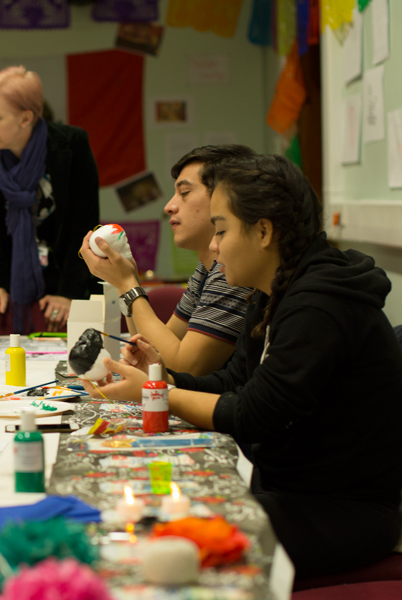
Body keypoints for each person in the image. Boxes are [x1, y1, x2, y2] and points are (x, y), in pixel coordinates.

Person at [85, 155, 402, 577]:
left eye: (221, 230)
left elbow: (254, 414)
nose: (214, 246)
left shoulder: (319, 305)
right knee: (145, 507)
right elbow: (233, 381)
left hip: (342, 510)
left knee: (159, 542)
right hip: (285, 486)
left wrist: (158, 393)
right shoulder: (271, 292)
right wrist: (163, 376)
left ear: (264, 231)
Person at [81, 145, 256, 376]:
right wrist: (126, 281)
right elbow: (152, 351)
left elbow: (183, 367)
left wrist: (128, 285)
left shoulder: (232, 271)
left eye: (184, 193)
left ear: (225, 199)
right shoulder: (206, 269)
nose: (169, 207)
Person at [0, 66, 100, 335]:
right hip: (15, 287)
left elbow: (84, 227)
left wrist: (68, 293)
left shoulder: (71, 146)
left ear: (26, 118)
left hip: (68, 287)